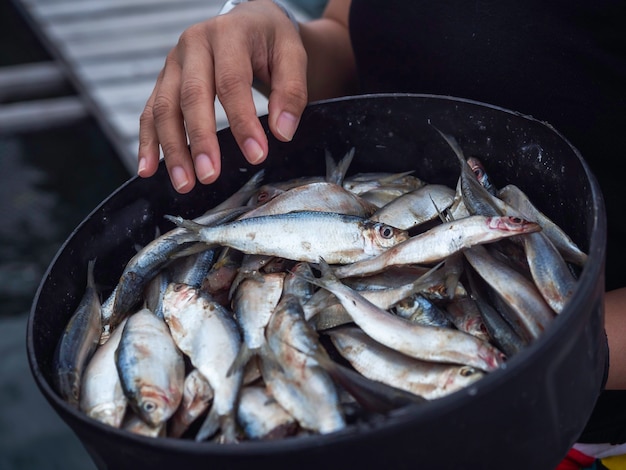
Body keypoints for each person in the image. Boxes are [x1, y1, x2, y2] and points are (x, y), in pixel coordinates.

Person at [137, 0, 626, 465]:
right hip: (368, 314)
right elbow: (350, 40)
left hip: (567, 422)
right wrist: (280, 45)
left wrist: (551, 350)